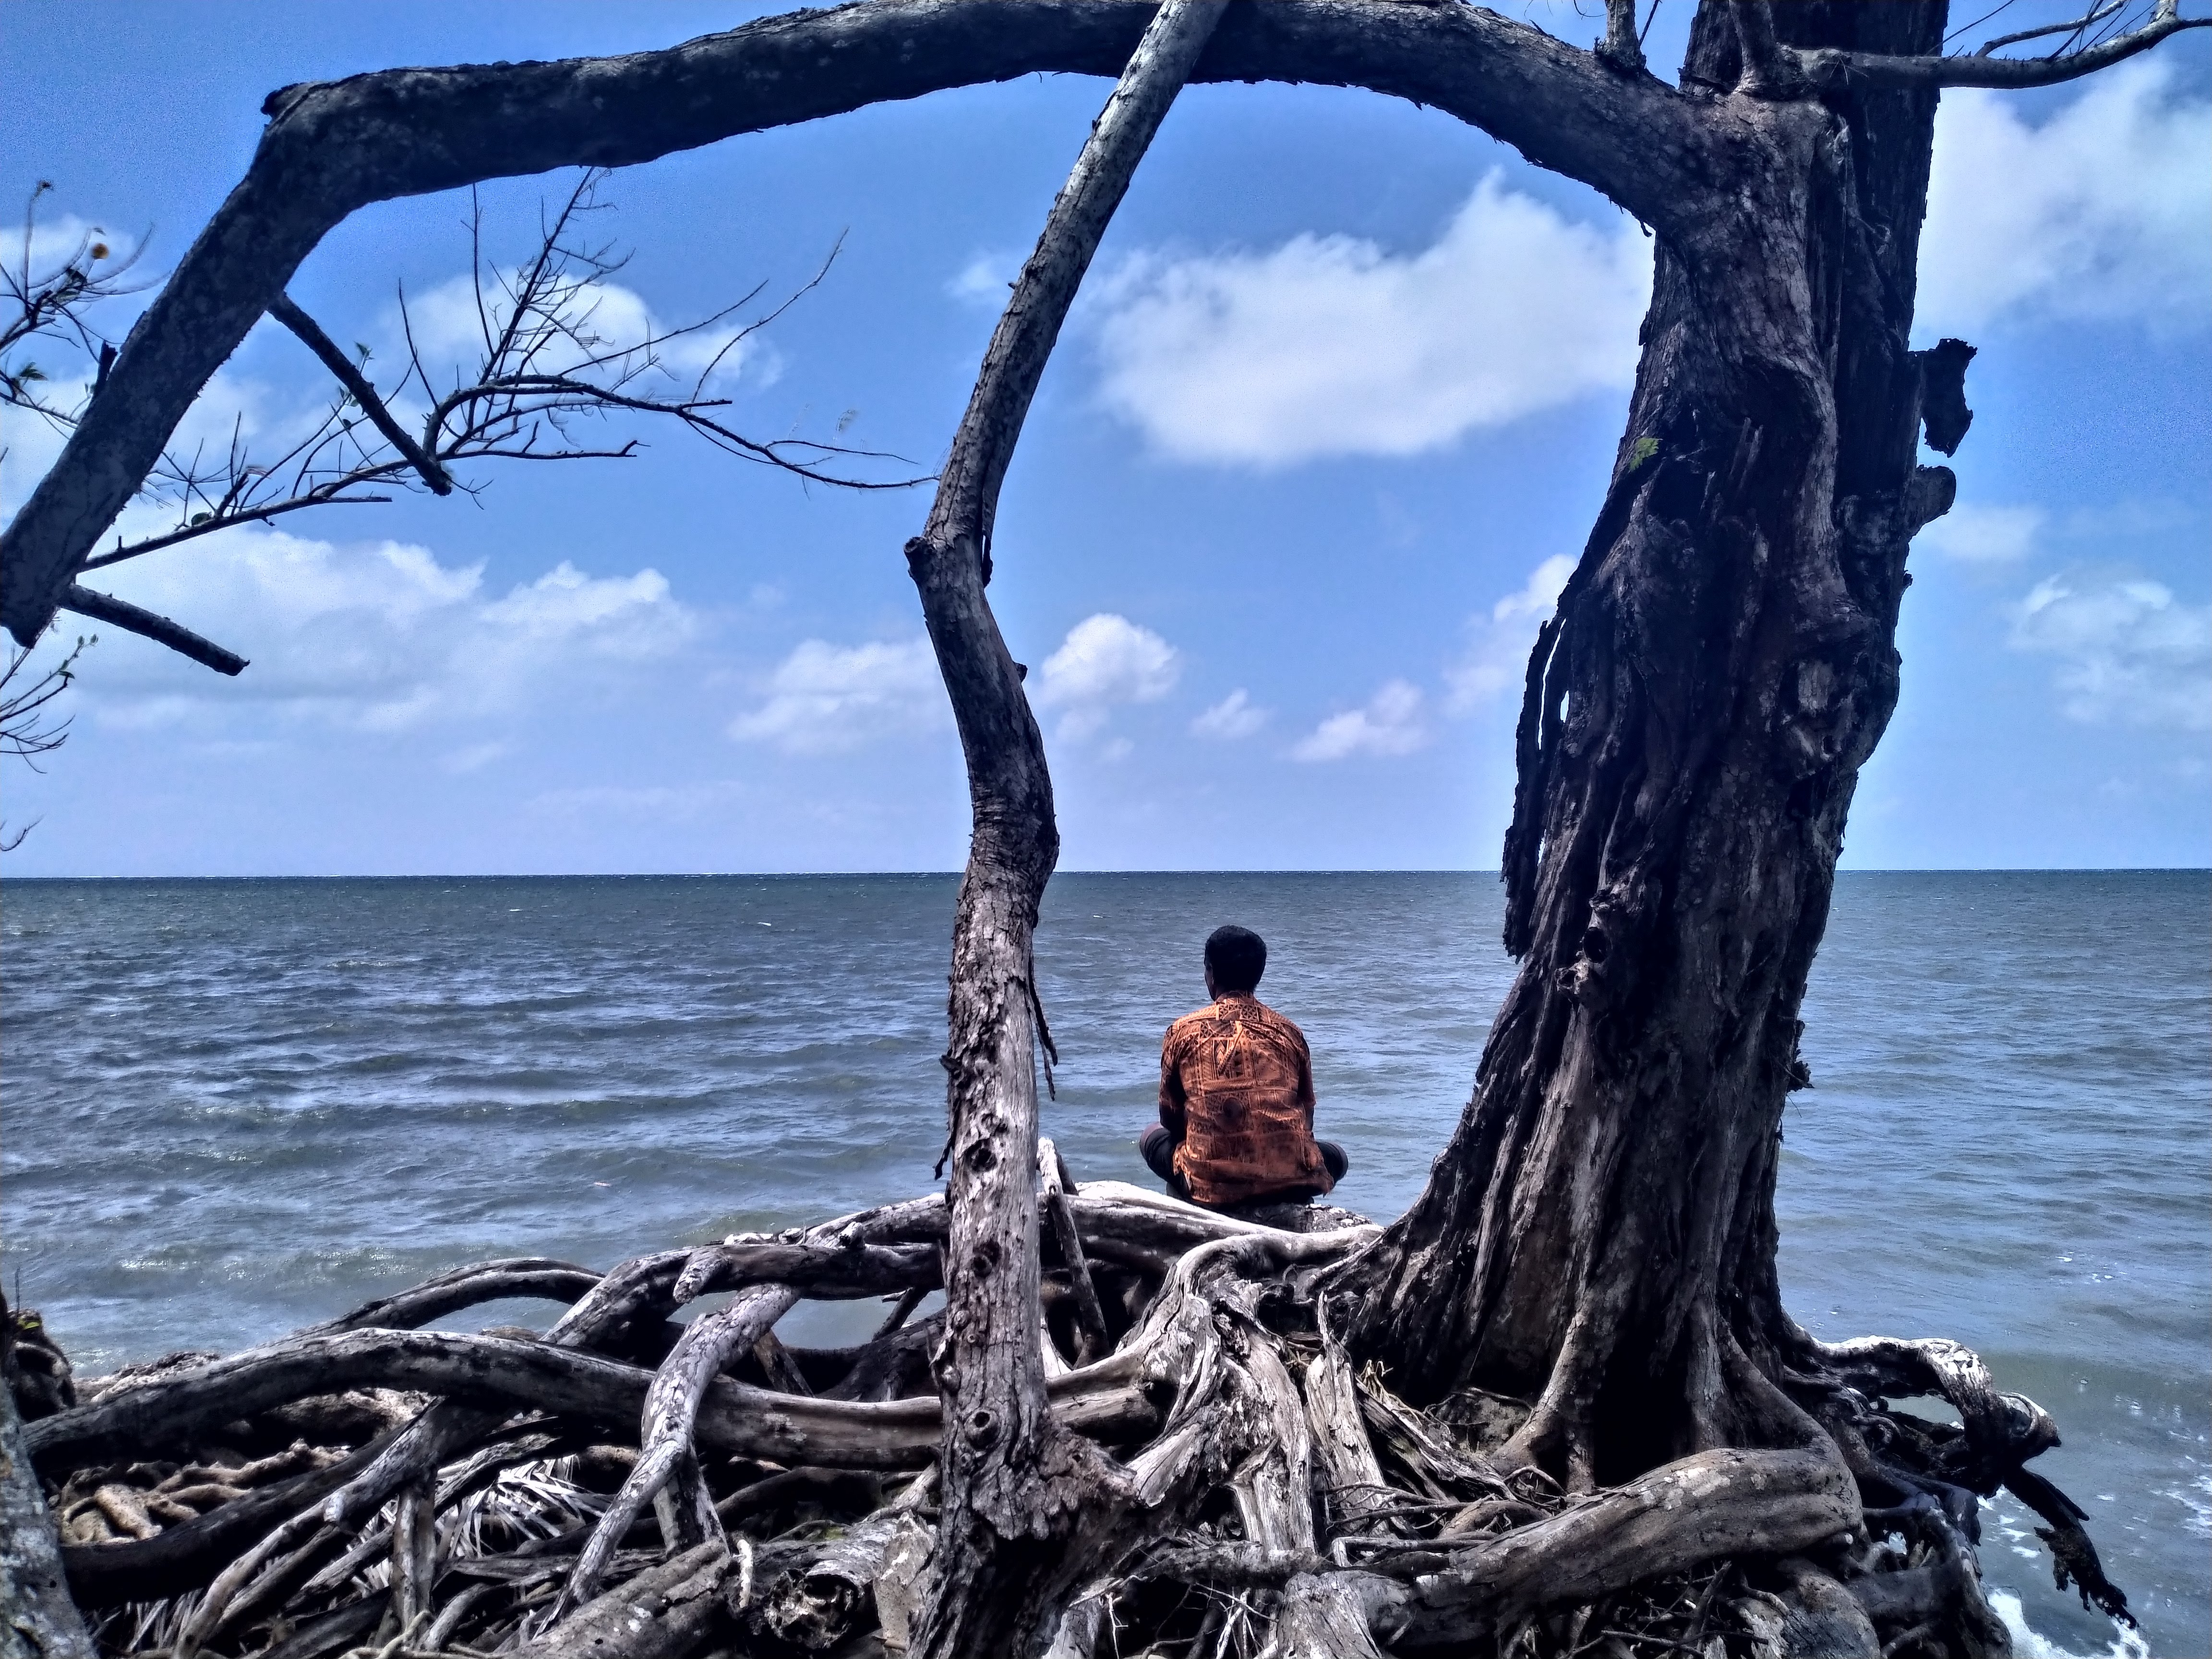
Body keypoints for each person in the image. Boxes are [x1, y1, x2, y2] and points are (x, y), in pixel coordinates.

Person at [1141, 925, 1349, 1209]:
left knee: (1151, 1136)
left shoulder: (1182, 1031)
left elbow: (1171, 1119)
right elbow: (1307, 1118)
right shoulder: (1289, 1032)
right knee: (1337, 1157)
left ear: (1211, 973)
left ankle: (1200, 1190)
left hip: (1212, 1188)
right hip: (1289, 1184)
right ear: (1259, 974)